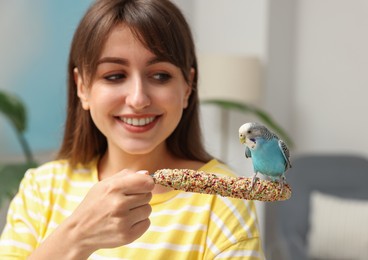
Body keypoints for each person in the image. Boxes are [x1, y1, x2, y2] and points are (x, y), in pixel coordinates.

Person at [0, 0, 265, 259]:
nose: (138, 99)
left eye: (160, 75)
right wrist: (78, 236)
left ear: (187, 87)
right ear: (82, 87)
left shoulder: (223, 199)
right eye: (114, 76)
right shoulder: (42, 188)